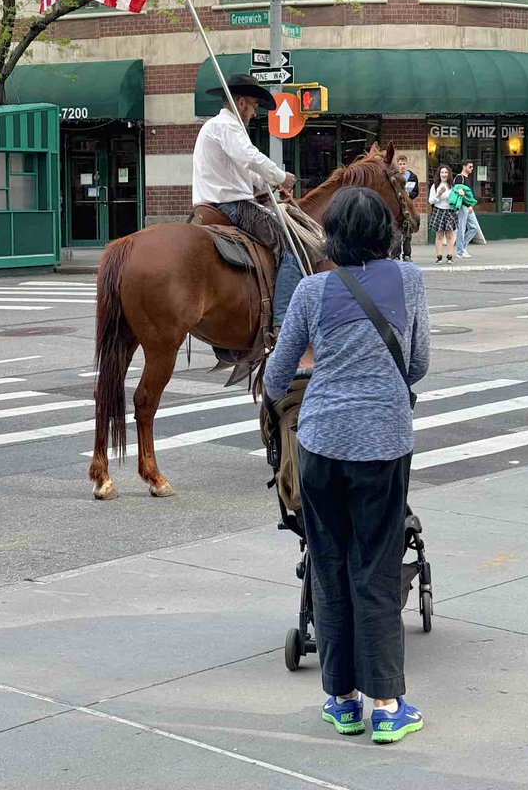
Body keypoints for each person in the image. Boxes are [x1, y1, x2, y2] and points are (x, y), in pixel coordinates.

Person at [265, 186, 431, 743]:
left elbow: (273, 378)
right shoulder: (409, 281)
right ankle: (387, 704)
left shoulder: (312, 292)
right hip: (383, 443)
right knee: (378, 568)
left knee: (327, 563)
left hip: (320, 446)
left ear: (331, 237)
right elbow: (419, 362)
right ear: (386, 232)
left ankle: (341, 701)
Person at [192, 72, 300, 326]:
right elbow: (250, 157)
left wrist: (269, 184)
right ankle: (283, 321)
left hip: (211, 204)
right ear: (240, 103)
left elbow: (247, 172)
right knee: (291, 247)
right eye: (253, 106)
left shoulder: (217, 128)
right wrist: (281, 176)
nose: (254, 113)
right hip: (233, 206)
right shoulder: (227, 126)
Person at [391, 154, 420, 261]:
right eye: (400, 164)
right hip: (398, 206)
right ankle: (395, 254)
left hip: (408, 206)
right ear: (397, 165)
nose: (402, 166)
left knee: (408, 230)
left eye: (404, 164)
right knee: (397, 231)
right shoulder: (395, 177)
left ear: (407, 164)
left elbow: (416, 191)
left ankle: (407, 254)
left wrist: (409, 195)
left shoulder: (413, 177)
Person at [428, 165, 458, 263]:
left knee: (450, 235)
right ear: (439, 174)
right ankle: (439, 257)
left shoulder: (453, 186)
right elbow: (430, 201)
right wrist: (438, 194)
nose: (444, 174)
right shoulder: (435, 185)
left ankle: (449, 256)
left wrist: (461, 194)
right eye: (442, 172)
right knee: (439, 235)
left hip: (450, 211)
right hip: (439, 211)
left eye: (446, 172)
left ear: (449, 174)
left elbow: (456, 199)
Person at [453, 157, 479, 259]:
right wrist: (468, 205)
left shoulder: (467, 178)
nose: (472, 168)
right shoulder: (460, 177)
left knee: (474, 227)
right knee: (461, 228)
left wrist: (470, 205)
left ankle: (462, 248)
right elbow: (458, 193)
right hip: (462, 207)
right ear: (464, 167)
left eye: (472, 166)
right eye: (470, 166)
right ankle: (460, 251)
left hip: (468, 207)